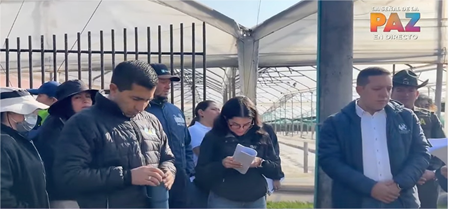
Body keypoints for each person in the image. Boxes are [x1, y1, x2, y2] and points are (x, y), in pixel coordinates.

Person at [52, 60, 176, 208]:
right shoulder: (83, 123)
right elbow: (68, 176)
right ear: (113, 89)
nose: (141, 107)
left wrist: (168, 171)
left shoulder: (151, 121)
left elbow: (168, 158)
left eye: (147, 100)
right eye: (135, 99)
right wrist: (128, 176)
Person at [318, 67, 431, 208]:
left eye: (389, 89)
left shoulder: (406, 118)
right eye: (377, 89)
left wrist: (399, 184)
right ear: (360, 90)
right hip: (356, 201)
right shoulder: (336, 123)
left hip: (400, 199)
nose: (384, 94)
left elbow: (421, 153)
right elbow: (330, 161)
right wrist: (370, 187)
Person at [195, 96, 283, 208]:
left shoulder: (262, 136)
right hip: (224, 199)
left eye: (246, 124)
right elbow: (201, 173)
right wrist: (222, 164)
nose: (241, 129)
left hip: (256, 199)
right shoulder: (213, 137)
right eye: (235, 124)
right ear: (225, 119)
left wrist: (260, 162)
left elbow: (276, 169)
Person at [34, 80, 98, 208]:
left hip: (86, 194)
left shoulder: (85, 123)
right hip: (65, 198)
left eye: (88, 96)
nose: (85, 101)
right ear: (66, 103)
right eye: (78, 97)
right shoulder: (55, 127)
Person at [391, 69, 446, 209]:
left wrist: (431, 172)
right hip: (393, 181)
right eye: (400, 90)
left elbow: (441, 149)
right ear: (391, 92)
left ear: (416, 94)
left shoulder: (428, 117)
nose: (405, 94)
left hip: (424, 181)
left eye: (410, 90)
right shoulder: (382, 117)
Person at [145, 63, 195, 208]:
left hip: (180, 180)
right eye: (162, 81)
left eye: (169, 82)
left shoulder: (175, 111)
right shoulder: (141, 112)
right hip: (156, 181)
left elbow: (187, 144)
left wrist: (187, 171)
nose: (168, 86)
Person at [0, 87, 50, 208]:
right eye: (27, 111)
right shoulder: (3, 142)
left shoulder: (16, 138)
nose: (34, 115)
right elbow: (3, 196)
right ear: (9, 112)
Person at [188, 100, 220, 208]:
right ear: (201, 113)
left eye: (218, 109)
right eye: (213, 109)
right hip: (200, 181)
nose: (218, 112)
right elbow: (202, 154)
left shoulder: (216, 131)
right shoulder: (194, 130)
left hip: (213, 179)